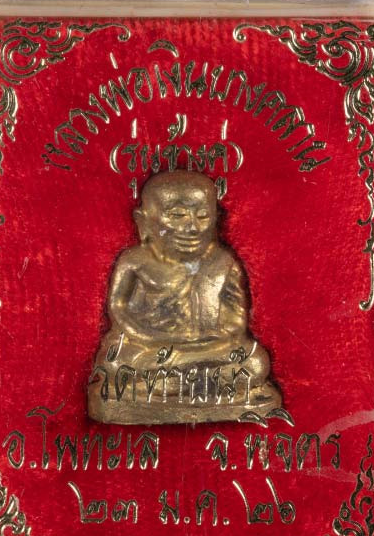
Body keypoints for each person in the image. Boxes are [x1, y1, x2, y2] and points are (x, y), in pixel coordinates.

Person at [89, 170, 281, 422]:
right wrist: (147, 336)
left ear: (216, 219)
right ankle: (187, 383)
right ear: (143, 221)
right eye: (177, 215)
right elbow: (118, 307)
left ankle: (165, 386)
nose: (192, 228)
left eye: (202, 216)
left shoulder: (222, 262)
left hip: (208, 349)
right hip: (149, 347)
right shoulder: (135, 261)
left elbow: (237, 317)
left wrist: (215, 338)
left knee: (254, 363)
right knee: (115, 361)